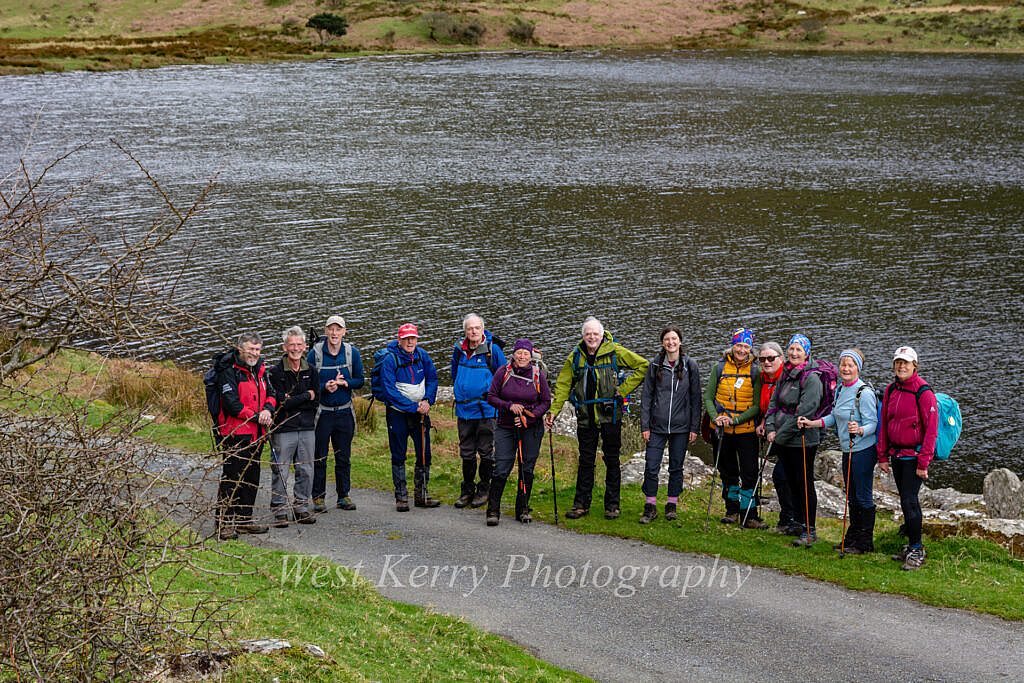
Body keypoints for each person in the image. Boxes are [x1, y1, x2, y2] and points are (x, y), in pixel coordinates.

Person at [546, 317, 648, 520]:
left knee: (611, 460)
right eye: (588, 334)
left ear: (602, 335)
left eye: (595, 334)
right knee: (586, 461)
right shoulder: (575, 356)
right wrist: (553, 411)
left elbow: (643, 366)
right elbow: (564, 385)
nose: (591, 337)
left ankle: (612, 505)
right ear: (583, 336)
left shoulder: (615, 352)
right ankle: (581, 504)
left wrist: (623, 390)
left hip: (610, 416)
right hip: (586, 417)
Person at [799, 348, 878, 553]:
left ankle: (865, 542)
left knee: (863, 496)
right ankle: (852, 537)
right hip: (847, 449)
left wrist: (859, 429)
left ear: (858, 369)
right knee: (851, 495)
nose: (845, 368)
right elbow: (834, 417)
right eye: (843, 364)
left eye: (850, 365)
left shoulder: (864, 393)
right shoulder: (841, 390)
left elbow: (873, 424)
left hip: (863, 451)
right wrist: (812, 423)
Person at [877, 346, 938, 571]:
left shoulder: (924, 392)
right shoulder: (891, 390)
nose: (901, 366)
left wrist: (924, 463)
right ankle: (911, 544)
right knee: (904, 499)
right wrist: (882, 455)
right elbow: (884, 423)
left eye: (906, 362)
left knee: (910, 501)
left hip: (914, 456)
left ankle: (916, 548)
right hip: (897, 455)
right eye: (898, 362)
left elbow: (931, 430)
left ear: (915, 365)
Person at [214, 331, 277, 540]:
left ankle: (243, 520)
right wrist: (256, 416)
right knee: (232, 478)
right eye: (251, 349)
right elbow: (232, 404)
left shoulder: (260, 370)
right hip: (235, 433)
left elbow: (272, 394)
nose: (255, 353)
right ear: (240, 349)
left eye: (258, 350)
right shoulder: (228, 371)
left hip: (257, 434)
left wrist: (268, 409)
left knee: (251, 477)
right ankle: (223, 522)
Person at [702, 327, 765, 528]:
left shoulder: (756, 371)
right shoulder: (718, 368)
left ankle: (750, 514)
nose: (742, 350)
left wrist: (736, 420)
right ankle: (731, 510)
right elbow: (708, 397)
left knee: (749, 473)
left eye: (746, 346)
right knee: (728, 472)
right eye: (739, 345)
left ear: (751, 349)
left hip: (746, 431)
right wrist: (716, 417)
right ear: (732, 346)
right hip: (721, 431)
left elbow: (756, 406)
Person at [638, 325, 701, 523]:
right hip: (657, 426)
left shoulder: (690, 365)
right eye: (667, 339)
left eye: (674, 339)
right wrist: (645, 426)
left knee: (676, 467)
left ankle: (671, 504)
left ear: (680, 341)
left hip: (681, 427)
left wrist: (694, 427)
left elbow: (696, 399)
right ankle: (650, 505)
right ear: (662, 343)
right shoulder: (655, 365)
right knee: (651, 465)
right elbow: (647, 396)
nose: (671, 342)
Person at [485, 338, 552, 526]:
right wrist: (509, 406)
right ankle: (493, 510)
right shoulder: (502, 372)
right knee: (501, 467)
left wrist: (529, 417)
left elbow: (546, 402)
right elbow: (491, 397)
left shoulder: (538, 375)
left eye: (526, 353)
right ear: (513, 354)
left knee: (527, 468)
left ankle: (522, 509)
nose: (522, 356)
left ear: (531, 356)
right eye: (519, 352)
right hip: (506, 426)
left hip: (531, 428)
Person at [766, 334, 823, 547]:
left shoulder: (812, 379)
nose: (794, 353)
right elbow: (774, 403)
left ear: (807, 353)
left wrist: (777, 437)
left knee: (804, 483)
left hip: (803, 440)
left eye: (799, 350)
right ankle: (797, 523)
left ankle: (810, 529)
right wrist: (770, 426)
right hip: (783, 439)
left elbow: (804, 412)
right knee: (790, 481)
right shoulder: (786, 374)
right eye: (791, 349)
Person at [380, 323, 440, 512]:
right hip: (398, 414)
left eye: (413, 338)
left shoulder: (423, 356)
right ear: (399, 340)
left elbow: (432, 379)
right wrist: (414, 407)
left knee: (424, 453)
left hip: (421, 414)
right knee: (398, 454)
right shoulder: (390, 360)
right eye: (406, 338)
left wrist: (428, 400)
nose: (410, 342)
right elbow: (389, 391)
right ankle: (401, 496)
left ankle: (421, 494)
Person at [308, 315, 365, 513]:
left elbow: (360, 380)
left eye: (338, 329)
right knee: (319, 457)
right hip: (322, 413)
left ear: (344, 332)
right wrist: (325, 386)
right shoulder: (314, 354)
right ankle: (318, 497)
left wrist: (345, 383)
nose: (334, 333)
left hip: (344, 412)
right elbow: (308, 383)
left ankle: (344, 495)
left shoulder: (352, 353)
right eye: (331, 329)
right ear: (326, 331)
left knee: (343, 457)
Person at [450, 313, 506, 509]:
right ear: (465, 331)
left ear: (483, 330)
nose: (473, 332)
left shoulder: (493, 351)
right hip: (464, 410)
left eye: (477, 328)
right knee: (466, 451)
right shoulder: (458, 350)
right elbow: (454, 373)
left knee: (485, 451)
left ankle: (484, 489)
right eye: (469, 329)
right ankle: (467, 490)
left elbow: (503, 377)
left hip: (486, 411)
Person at [268, 326, 319, 527]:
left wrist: (295, 400)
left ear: (305, 346)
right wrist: (306, 395)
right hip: (283, 428)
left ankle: (301, 507)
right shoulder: (275, 372)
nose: (295, 348)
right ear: (284, 346)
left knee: (306, 469)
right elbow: (282, 403)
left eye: (299, 344)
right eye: (292, 344)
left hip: (307, 427)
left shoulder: (312, 370)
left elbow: (317, 401)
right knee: (281, 470)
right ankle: (279, 509)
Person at [755, 341, 797, 534]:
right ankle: (789, 518)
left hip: (788, 434)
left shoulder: (787, 379)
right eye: (762, 359)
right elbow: (767, 406)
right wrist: (764, 423)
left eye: (771, 358)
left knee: (781, 475)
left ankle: (790, 518)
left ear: (781, 359)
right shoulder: (761, 378)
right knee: (782, 476)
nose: (766, 362)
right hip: (772, 431)